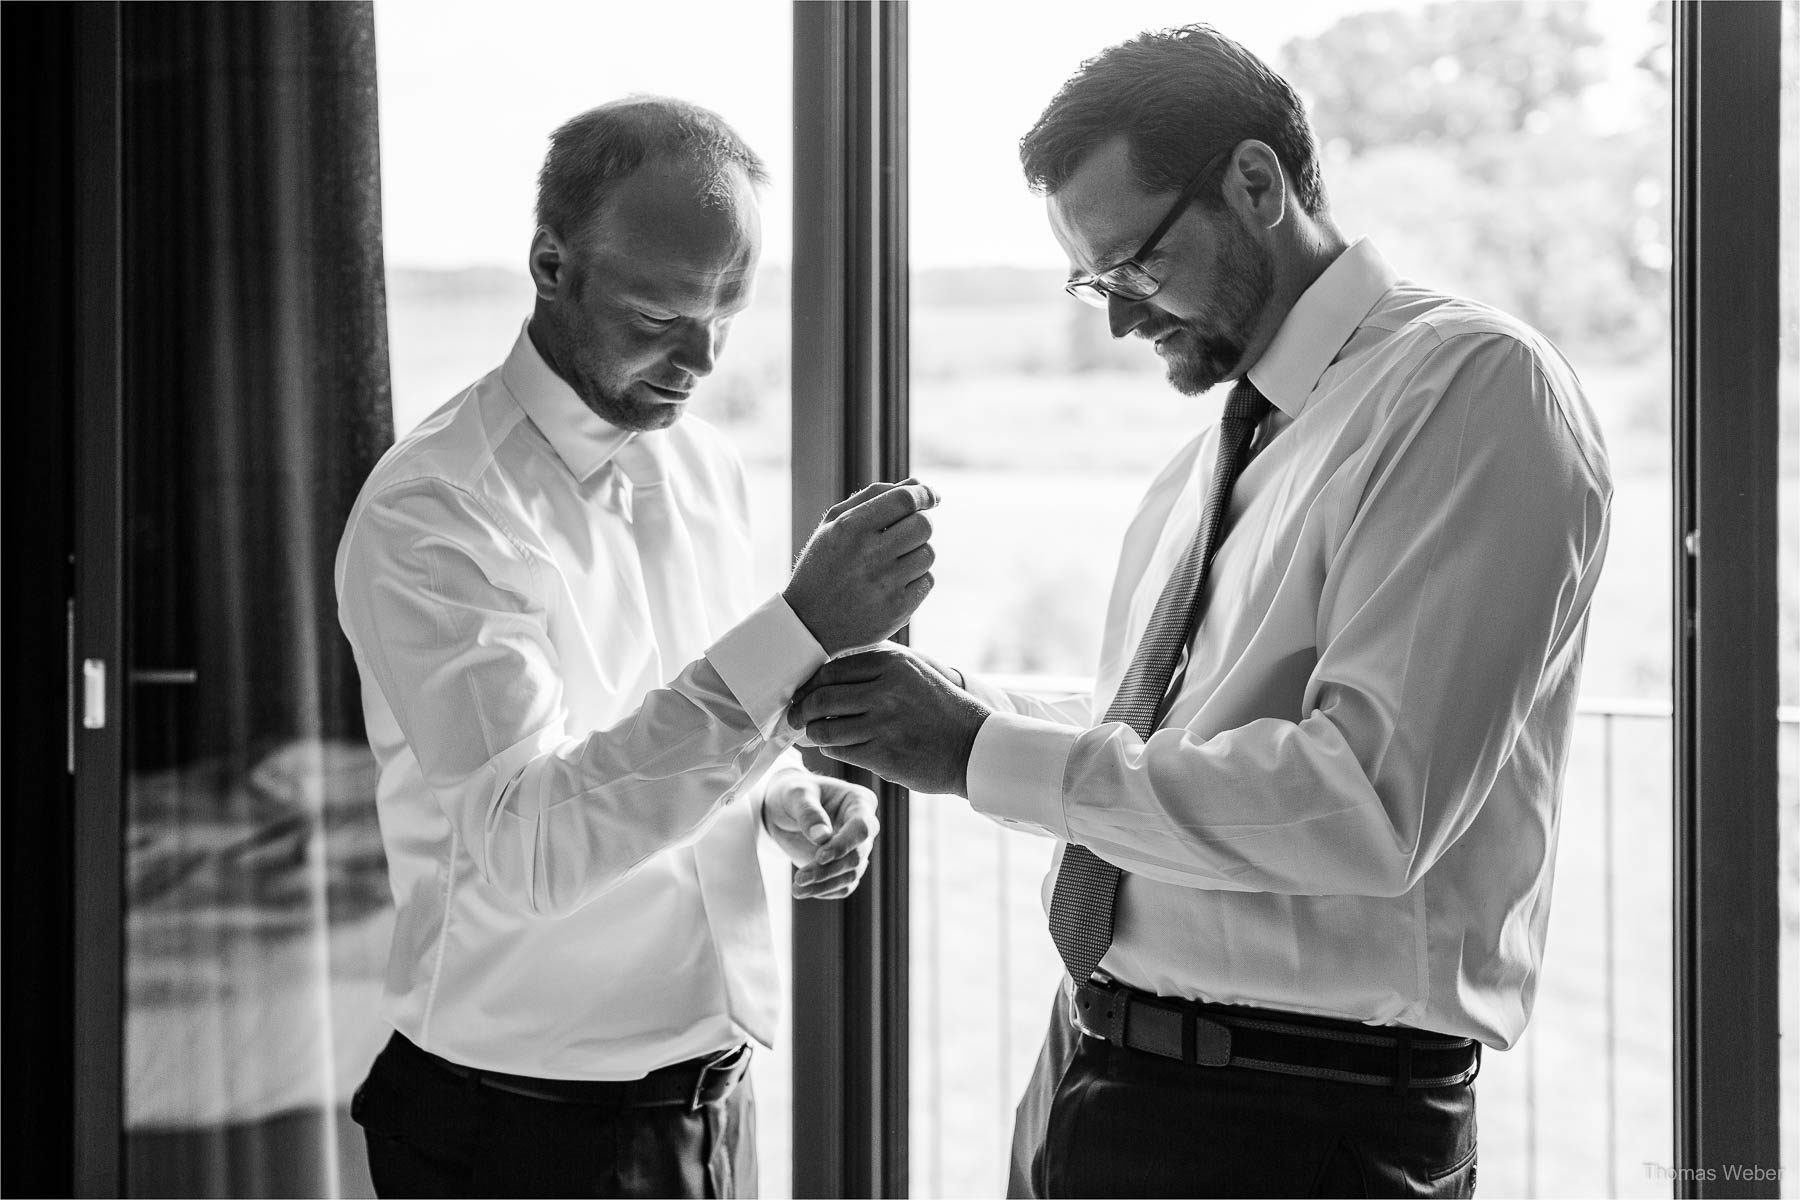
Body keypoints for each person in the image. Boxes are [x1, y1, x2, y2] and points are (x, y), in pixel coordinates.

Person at [789, 24, 1612, 1199]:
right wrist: (966, 707)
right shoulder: (1214, 461)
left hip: (1296, 1126)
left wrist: (978, 752)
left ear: (1257, 182)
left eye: (1133, 267)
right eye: (1095, 284)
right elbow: (1184, 737)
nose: (1119, 320)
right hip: (1098, 1064)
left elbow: (1364, 805)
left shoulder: (1473, 391)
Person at [335, 96, 937, 1199]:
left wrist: (782, 795)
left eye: (728, 310)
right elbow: (531, 845)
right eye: (661, 313)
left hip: (707, 1096)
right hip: (519, 1133)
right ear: (550, 264)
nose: (702, 356)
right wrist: (800, 627)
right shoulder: (435, 513)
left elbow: (675, 716)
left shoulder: (705, 466)